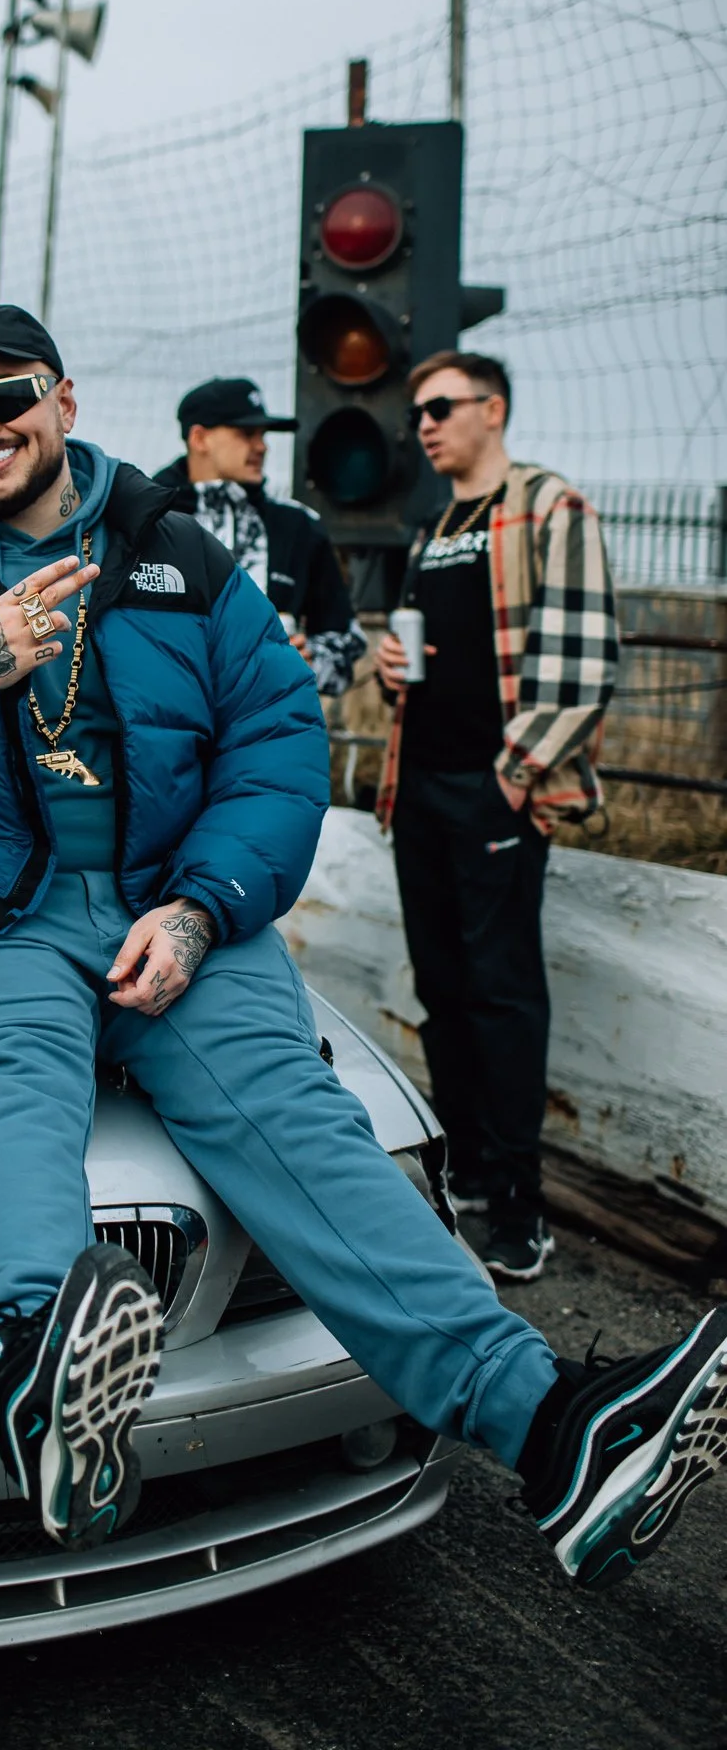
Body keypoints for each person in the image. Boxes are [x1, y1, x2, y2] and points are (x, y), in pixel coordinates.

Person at [0, 299, 724, 1582]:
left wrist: (203, 902)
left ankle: (554, 1432)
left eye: (6, 395)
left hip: (170, 908)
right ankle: (33, 1362)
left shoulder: (179, 557)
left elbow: (275, 746)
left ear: (64, 400)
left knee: (296, 1113)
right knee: (5, 1084)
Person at [374, 351, 619, 1282]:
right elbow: (421, 649)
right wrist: (393, 671)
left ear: (493, 407)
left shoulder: (549, 507)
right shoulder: (434, 526)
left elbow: (584, 661)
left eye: (439, 407)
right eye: (415, 413)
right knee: (442, 985)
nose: (424, 425)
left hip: (495, 788)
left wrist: (511, 777)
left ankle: (520, 1205)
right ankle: (472, 1172)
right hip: (421, 786)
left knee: (501, 993)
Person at [153, 376, 366, 695]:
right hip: (160, 727)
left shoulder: (299, 525)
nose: (262, 446)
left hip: (266, 732)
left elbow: (346, 642)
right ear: (200, 438)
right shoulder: (147, 517)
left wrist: (308, 662)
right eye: (246, 433)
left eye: (264, 435)